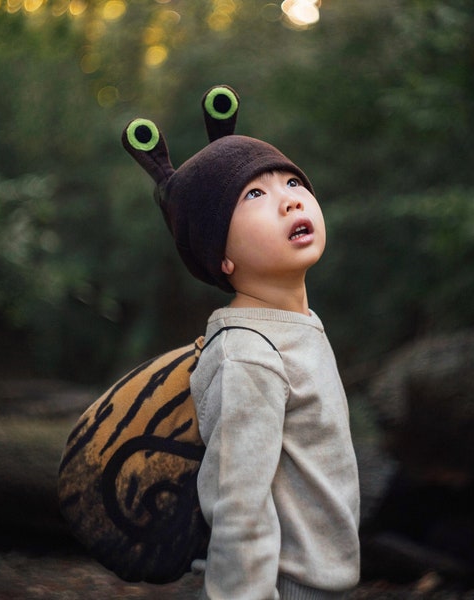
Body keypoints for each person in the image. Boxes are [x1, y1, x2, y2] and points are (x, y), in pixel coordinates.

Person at [123, 85, 360, 599]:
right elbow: (238, 506)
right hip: (286, 585)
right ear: (219, 256)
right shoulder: (249, 352)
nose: (290, 197)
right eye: (253, 194)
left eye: (293, 181)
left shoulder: (294, 326)